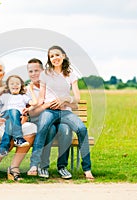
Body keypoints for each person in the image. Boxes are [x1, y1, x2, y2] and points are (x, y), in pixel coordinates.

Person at [29, 46, 95, 181]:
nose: (55, 58)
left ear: (63, 56)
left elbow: (76, 98)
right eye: (51, 56)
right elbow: (41, 98)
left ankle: (84, 169)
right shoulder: (45, 75)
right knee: (43, 128)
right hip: (49, 111)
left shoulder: (71, 74)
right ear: (49, 59)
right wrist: (32, 106)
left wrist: (66, 99)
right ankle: (34, 165)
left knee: (80, 129)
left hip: (65, 112)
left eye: (57, 55)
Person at [0, 61, 37, 181]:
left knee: (31, 127)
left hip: (15, 121)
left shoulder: (11, 87)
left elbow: (27, 105)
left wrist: (25, 116)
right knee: (11, 124)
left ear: (3, 73)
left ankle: (14, 167)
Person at [25, 58, 74, 179]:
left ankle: (62, 167)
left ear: (43, 71)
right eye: (31, 71)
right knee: (49, 129)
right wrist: (46, 105)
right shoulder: (27, 90)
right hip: (41, 122)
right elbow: (31, 114)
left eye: (37, 70)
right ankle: (43, 166)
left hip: (60, 117)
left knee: (65, 129)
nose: (34, 74)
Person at [0, 75, 37, 156]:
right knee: (13, 110)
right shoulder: (6, 95)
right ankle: (18, 137)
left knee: (10, 124)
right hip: (6, 114)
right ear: (8, 86)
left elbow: (34, 103)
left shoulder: (23, 96)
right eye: (12, 83)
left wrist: (31, 89)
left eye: (17, 83)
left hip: (16, 117)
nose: (15, 85)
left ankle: (3, 149)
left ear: (21, 86)